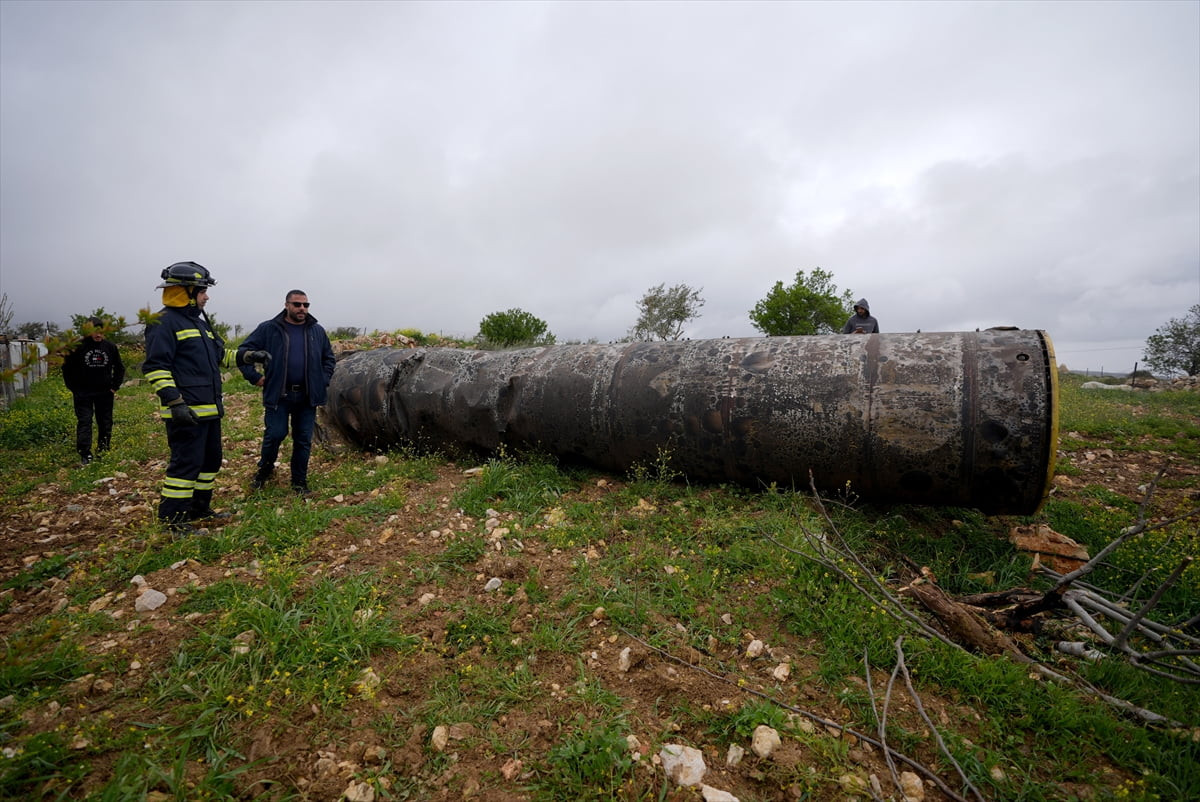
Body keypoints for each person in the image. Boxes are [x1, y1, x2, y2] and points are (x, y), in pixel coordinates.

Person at [143, 262, 269, 533]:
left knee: (210, 461)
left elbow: (220, 356)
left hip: (210, 410)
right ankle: (173, 520)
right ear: (186, 292)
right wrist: (175, 403)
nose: (206, 296)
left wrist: (249, 356)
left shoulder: (198, 323)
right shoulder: (163, 323)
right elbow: (156, 367)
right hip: (186, 411)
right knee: (186, 464)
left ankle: (199, 509)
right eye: (201, 291)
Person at [238, 289, 337, 495]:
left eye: (306, 305)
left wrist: (322, 379)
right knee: (275, 434)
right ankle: (264, 472)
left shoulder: (316, 331)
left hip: (307, 395)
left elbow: (328, 358)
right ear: (286, 305)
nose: (302, 309)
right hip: (279, 395)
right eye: (297, 304)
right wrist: (255, 377)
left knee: (303, 439)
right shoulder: (269, 329)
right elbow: (243, 353)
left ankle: (299, 482)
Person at [62, 316, 125, 465]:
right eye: (95, 332)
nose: (98, 335)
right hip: (83, 393)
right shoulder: (77, 347)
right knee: (85, 421)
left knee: (105, 422)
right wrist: (74, 389)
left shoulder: (110, 347)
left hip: (104, 393)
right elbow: (66, 368)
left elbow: (119, 368)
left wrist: (114, 387)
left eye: (101, 332)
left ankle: (103, 450)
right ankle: (85, 453)